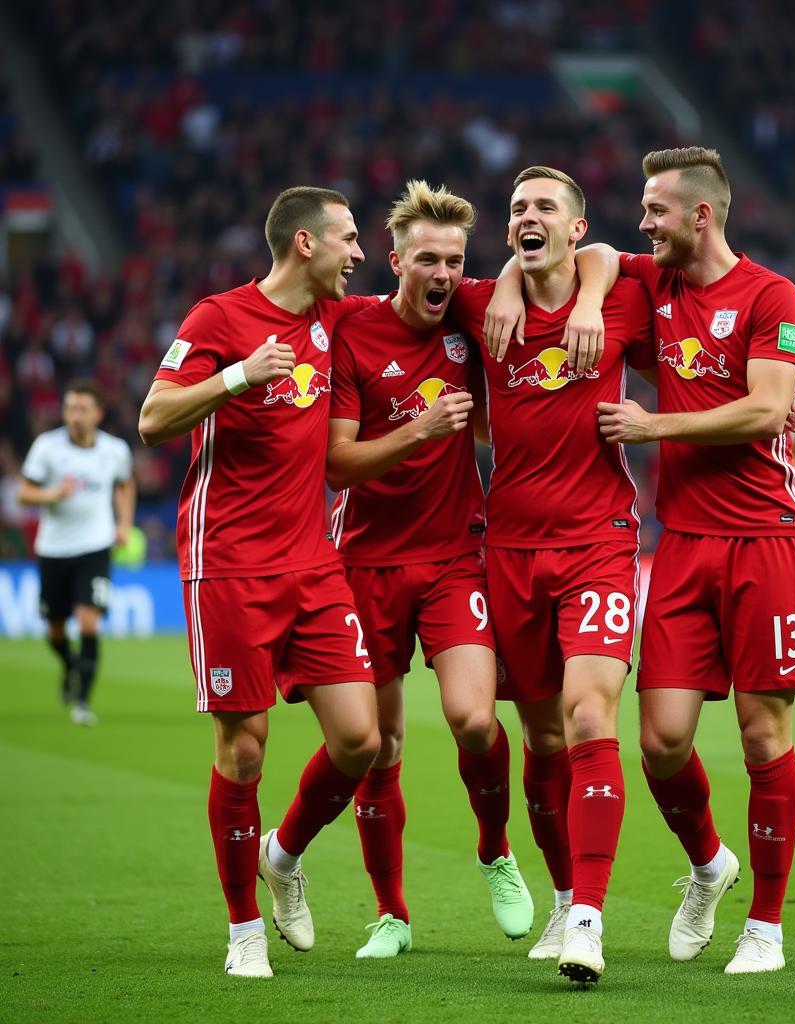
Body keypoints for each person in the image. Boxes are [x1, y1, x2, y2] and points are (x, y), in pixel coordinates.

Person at [138, 186, 381, 979]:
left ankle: (284, 854)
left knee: (360, 738)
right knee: (244, 750)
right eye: (348, 239)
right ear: (305, 243)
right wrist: (239, 376)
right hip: (229, 564)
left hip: (313, 562)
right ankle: (244, 929)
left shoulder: (339, 319)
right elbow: (153, 417)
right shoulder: (220, 318)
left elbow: (420, 295)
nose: (359, 253)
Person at [591, 146, 795, 974]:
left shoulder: (772, 294)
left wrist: (656, 426)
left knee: (763, 733)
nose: (642, 224)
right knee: (661, 742)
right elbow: (585, 254)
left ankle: (767, 924)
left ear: (701, 215)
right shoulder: (657, 285)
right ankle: (709, 865)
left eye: (654, 211)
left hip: (765, 535)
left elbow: (764, 410)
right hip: (683, 542)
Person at [450, 165, 656, 984]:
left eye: (544, 208)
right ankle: (565, 889)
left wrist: (588, 294)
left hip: (599, 541)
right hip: (509, 549)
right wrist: (503, 284)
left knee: (586, 714)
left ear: (575, 229)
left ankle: (588, 918)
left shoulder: (619, 296)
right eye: (515, 211)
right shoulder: (476, 304)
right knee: (539, 736)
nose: (526, 218)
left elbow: (617, 256)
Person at [325, 180, 532, 959]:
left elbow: (558, 271)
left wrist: (508, 275)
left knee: (476, 718)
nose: (443, 273)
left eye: (455, 260)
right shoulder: (351, 330)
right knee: (380, 744)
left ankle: (495, 851)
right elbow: (338, 466)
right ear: (394, 261)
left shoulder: (475, 315)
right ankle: (392, 914)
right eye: (427, 260)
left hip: (454, 557)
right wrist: (418, 431)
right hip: (366, 561)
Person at [18, 379, 135, 725]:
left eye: (83, 409)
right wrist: (51, 495)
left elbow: (125, 484)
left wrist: (124, 524)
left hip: (95, 546)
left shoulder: (114, 450)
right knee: (55, 631)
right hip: (53, 549)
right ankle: (68, 663)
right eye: (70, 408)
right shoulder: (47, 447)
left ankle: (82, 701)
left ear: (98, 413)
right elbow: (23, 493)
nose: (75, 416)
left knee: (88, 622)